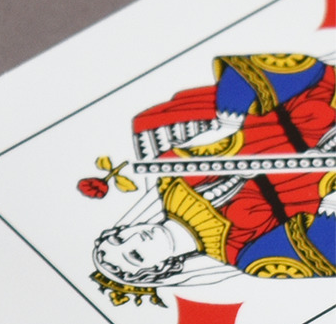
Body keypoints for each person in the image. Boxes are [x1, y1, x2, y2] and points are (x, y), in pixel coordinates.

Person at [91, 54, 336, 302]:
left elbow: (243, 78)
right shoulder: (246, 254)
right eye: (135, 255)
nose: (135, 238)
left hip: (315, 110)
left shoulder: (172, 176)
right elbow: (327, 247)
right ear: (159, 269)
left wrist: (228, 122)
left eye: (119, 237)